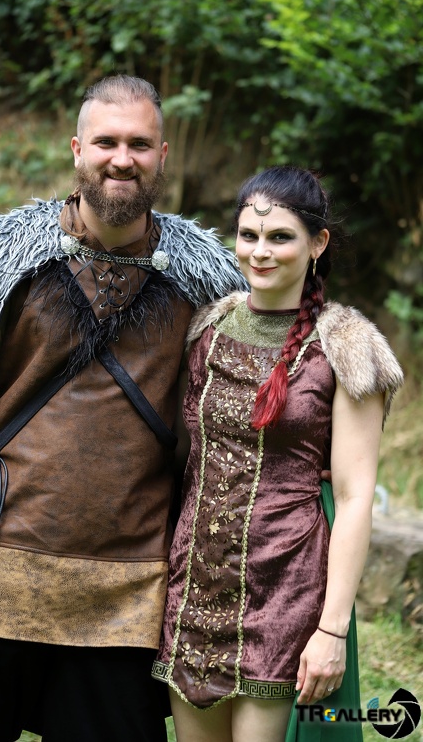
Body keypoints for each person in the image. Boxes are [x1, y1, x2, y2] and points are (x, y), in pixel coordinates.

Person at [0, 74, 247, 742]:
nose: (122, 159)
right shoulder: (5, 263)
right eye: (106, 142)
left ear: (162, 155)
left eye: (139, 144)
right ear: (77, 149)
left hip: (125, 594)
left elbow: (225, 417)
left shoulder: (208, 285)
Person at [152, 165, 404, 742]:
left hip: (285, 590)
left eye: (280, 237)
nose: (260, 251)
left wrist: (332, 629)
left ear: (318, 244)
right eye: (249, 235)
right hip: (195, 584)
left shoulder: (346, 348)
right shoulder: (206, 329)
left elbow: (355, 496)